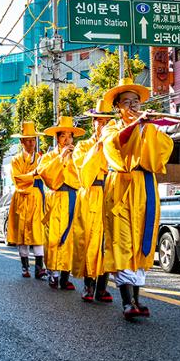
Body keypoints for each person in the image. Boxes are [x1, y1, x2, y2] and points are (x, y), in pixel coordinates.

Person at [100, 78, 174, 320]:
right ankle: (126, 302)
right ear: (117, 107)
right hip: (121, 186)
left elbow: (164, 150)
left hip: (146, 186)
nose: (132, 106)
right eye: (126, 102)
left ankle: (137, 300)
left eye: (136, 102)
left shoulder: (149, 127)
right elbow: (116, 143)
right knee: (122, 244)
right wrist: (137, 125)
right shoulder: (110, 127)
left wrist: (147, 127)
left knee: (143, 242)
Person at [70, 102, 113, 303]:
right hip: (89, 193)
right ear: (93, 123)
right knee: (89, 240)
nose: (103, 125)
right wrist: (99, 146)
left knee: (107, 241)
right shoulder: (83, 146)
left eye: (107, 121)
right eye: (99, 121)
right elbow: (83, 171)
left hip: (109, 192)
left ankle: (103, 288)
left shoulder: (114, 143)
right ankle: (88, 286)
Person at [37, 116, 85, 290]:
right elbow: (45, 173)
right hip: (56, 197)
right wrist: (61, 158)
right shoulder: (49, 156)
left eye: (70, 136)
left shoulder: (78, 156)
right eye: (63, 136)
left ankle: (65, 275)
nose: (67, 140)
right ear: (57, 138)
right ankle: (53, 274)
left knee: (71, 237)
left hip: (73, 197)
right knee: (54, 237)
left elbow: (83, 174)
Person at [6, 120, 47, 278]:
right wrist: (33, 174)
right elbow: (17, 178)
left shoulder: (41, 158)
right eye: (28, 140)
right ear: (21, 141)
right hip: (21, 198)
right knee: (22, 234)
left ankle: (39, 268)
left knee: (38, 232)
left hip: (36, 197)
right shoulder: (16, 160)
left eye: (33, 139)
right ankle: (24, 267)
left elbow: (46, 174)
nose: (31, 143)